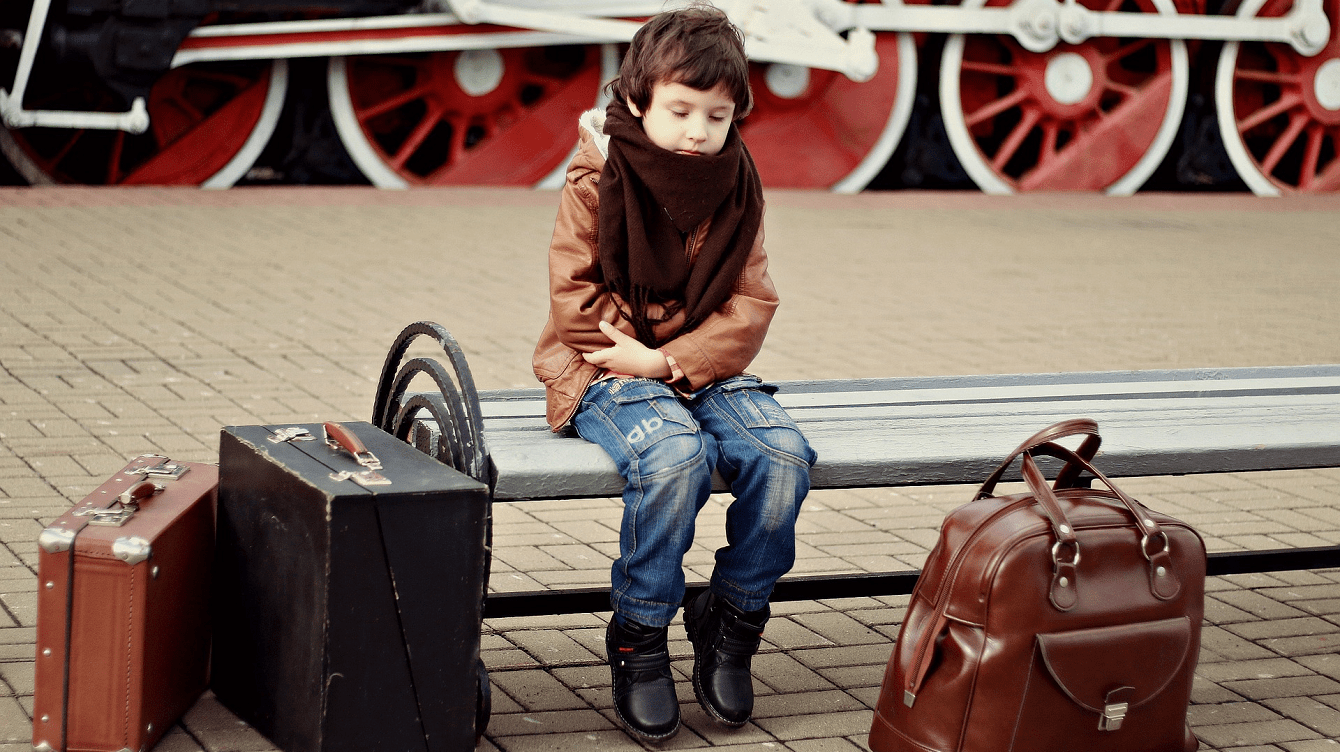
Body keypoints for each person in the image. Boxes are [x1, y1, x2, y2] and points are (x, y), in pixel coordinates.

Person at [532, 4, 816, 742]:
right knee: (673, 456)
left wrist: (671, 362)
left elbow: (752, 298)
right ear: (636, 102)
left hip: (689, 363)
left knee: (781, 457)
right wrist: (641, 362)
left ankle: (733, 620)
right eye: (680, 110)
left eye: (716, 116)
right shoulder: (597, 174)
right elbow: (575, 299)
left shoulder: (736, 185)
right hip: (603, 365)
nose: (698, 131)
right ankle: (640, 636)